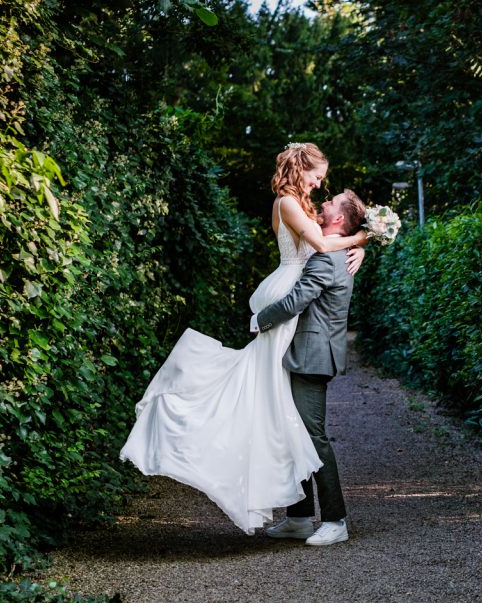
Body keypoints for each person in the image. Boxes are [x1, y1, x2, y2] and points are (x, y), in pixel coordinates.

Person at [119, 142, 367, 535]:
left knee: (294, 423)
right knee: (281, 416)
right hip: (287, 307)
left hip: (296, 322)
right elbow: (322, 245)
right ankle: (302, 517)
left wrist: (361, 240)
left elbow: (324, 251)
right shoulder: (288, 203)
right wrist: (361, 240)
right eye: (319, 176)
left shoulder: (311, 220)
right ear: (302, 167)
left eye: (327, 190)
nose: (322, 187)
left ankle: (325, 518)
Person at [252, 187, 366, 546]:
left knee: (312, 437)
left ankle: (336, 520)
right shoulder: (338, 250)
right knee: (293, 431)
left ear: (337, 220)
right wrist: (363, 241)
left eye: (330, 204)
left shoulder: (326, 257)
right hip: (306, 350)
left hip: (313, 354)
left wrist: (260, 319)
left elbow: (300, 299)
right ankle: (299, 517)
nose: (323, 201)